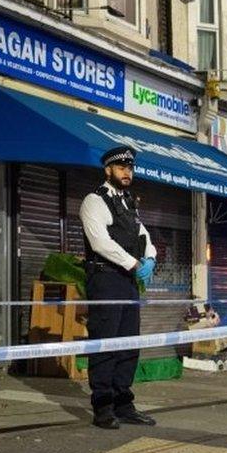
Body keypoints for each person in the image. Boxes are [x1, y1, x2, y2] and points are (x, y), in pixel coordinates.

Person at [79, 145, 158, 429]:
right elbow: (100, 243)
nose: (128, 172)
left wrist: (150, 257)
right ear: (108, 169)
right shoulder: (94, 201)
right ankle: (103, 407)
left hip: (126, 281)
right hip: (105, 280)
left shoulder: (127, 202)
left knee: (128, 344)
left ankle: (124, 403)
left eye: (130, 168)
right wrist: (135, 265)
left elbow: (143, 234)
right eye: (122, 168)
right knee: (106, 344)